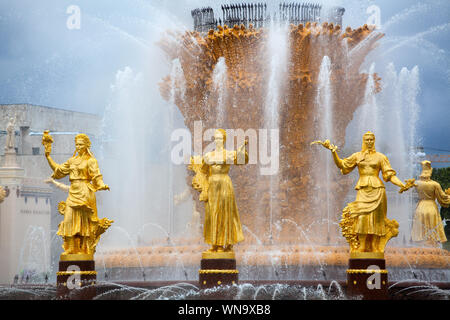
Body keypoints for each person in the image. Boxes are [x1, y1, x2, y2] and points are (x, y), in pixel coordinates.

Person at [313, 131, 415, 254]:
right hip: (362, 190)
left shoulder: (381, 157)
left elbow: (389, 175)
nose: (369, 142)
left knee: (377, 220)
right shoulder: (357, 156)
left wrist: (402, 184)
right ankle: (361, 245)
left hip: (377, 190)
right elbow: (342, 165)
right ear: (363, 141)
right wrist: (333, 151)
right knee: (361, 217)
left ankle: (374, 246)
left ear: (374, 141)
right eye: (367, 140)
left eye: (371, 139)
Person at [44, 133, 112, 257]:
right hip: (73, 191)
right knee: (68, 218)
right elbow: (58, 171)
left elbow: (97, 176)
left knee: (85, 222)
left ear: (86, 146)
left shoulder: (91, 161)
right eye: (76, 144)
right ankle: (70, 248)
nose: (78, 146)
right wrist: (48, 156)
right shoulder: (72, 161)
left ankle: (85, 248)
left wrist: (101, 185)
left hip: (85, 192)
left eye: (80, 144)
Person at [190, 129, 248, 253]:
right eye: (216, 139)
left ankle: (223, 243)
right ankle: (214, 243)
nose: (218, 141)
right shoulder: (209, 156)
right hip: (212, 186)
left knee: (224, 212)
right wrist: (202, 186)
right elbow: (203, 170)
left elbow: (242, 160)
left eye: (220, 139)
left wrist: (242, 149)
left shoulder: (229, 154)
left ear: (224, 140)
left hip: (224, 184)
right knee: (212, 213)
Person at [411, 160, 450, 246]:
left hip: (420, 208)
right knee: (432, 231)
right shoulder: (435, 184)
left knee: (421, 232)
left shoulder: (417, 184)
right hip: (431, 207)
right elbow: (443, 198)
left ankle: (421, 247)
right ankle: (433, 247)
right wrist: (449, 196)